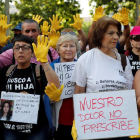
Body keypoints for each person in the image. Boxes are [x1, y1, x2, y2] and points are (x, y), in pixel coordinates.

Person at [71, 16, 133, 140]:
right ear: (99, 34)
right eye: (110, 33)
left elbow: (128, 92)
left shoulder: (123, 60)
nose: (115, 37)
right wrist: (78, 120)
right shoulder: (85, 59)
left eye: (117, 33)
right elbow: (78, 93)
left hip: (119, 128)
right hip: (93, 128)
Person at [0, 34, 60, 140]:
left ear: (33, 53)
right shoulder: (6, 71)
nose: (21, 51)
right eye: (17, 47)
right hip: (11, 129)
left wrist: (44, 62)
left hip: (37, 129)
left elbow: (56, 86)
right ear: (13, 52)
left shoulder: (39, 70)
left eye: (25, 47)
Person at [45, 32, 80, 140]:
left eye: (72, 46)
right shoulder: (50, 67)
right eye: (64, 46)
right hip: (59, 119)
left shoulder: (82, 66)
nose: (68, 49)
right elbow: (46, 96)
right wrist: (52, 98)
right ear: (58, 49)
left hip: (78, 118)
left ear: (76, 49)